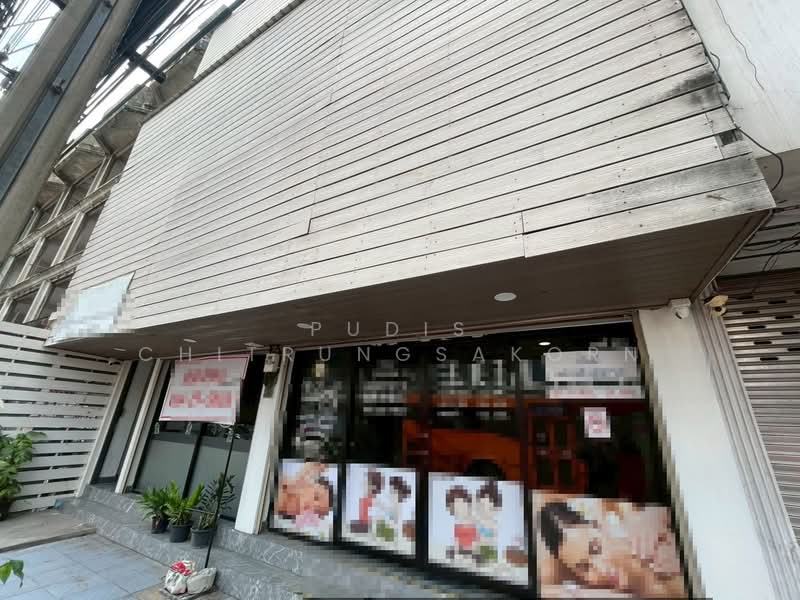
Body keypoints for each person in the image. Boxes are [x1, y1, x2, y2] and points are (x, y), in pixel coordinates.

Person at [538, 500, 686, 598]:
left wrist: (657, 513)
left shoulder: (647, 542)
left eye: (596, 549)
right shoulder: (583, 581)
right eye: (584, 568)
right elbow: (540, 583)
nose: (601, 569)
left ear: (601, 527)